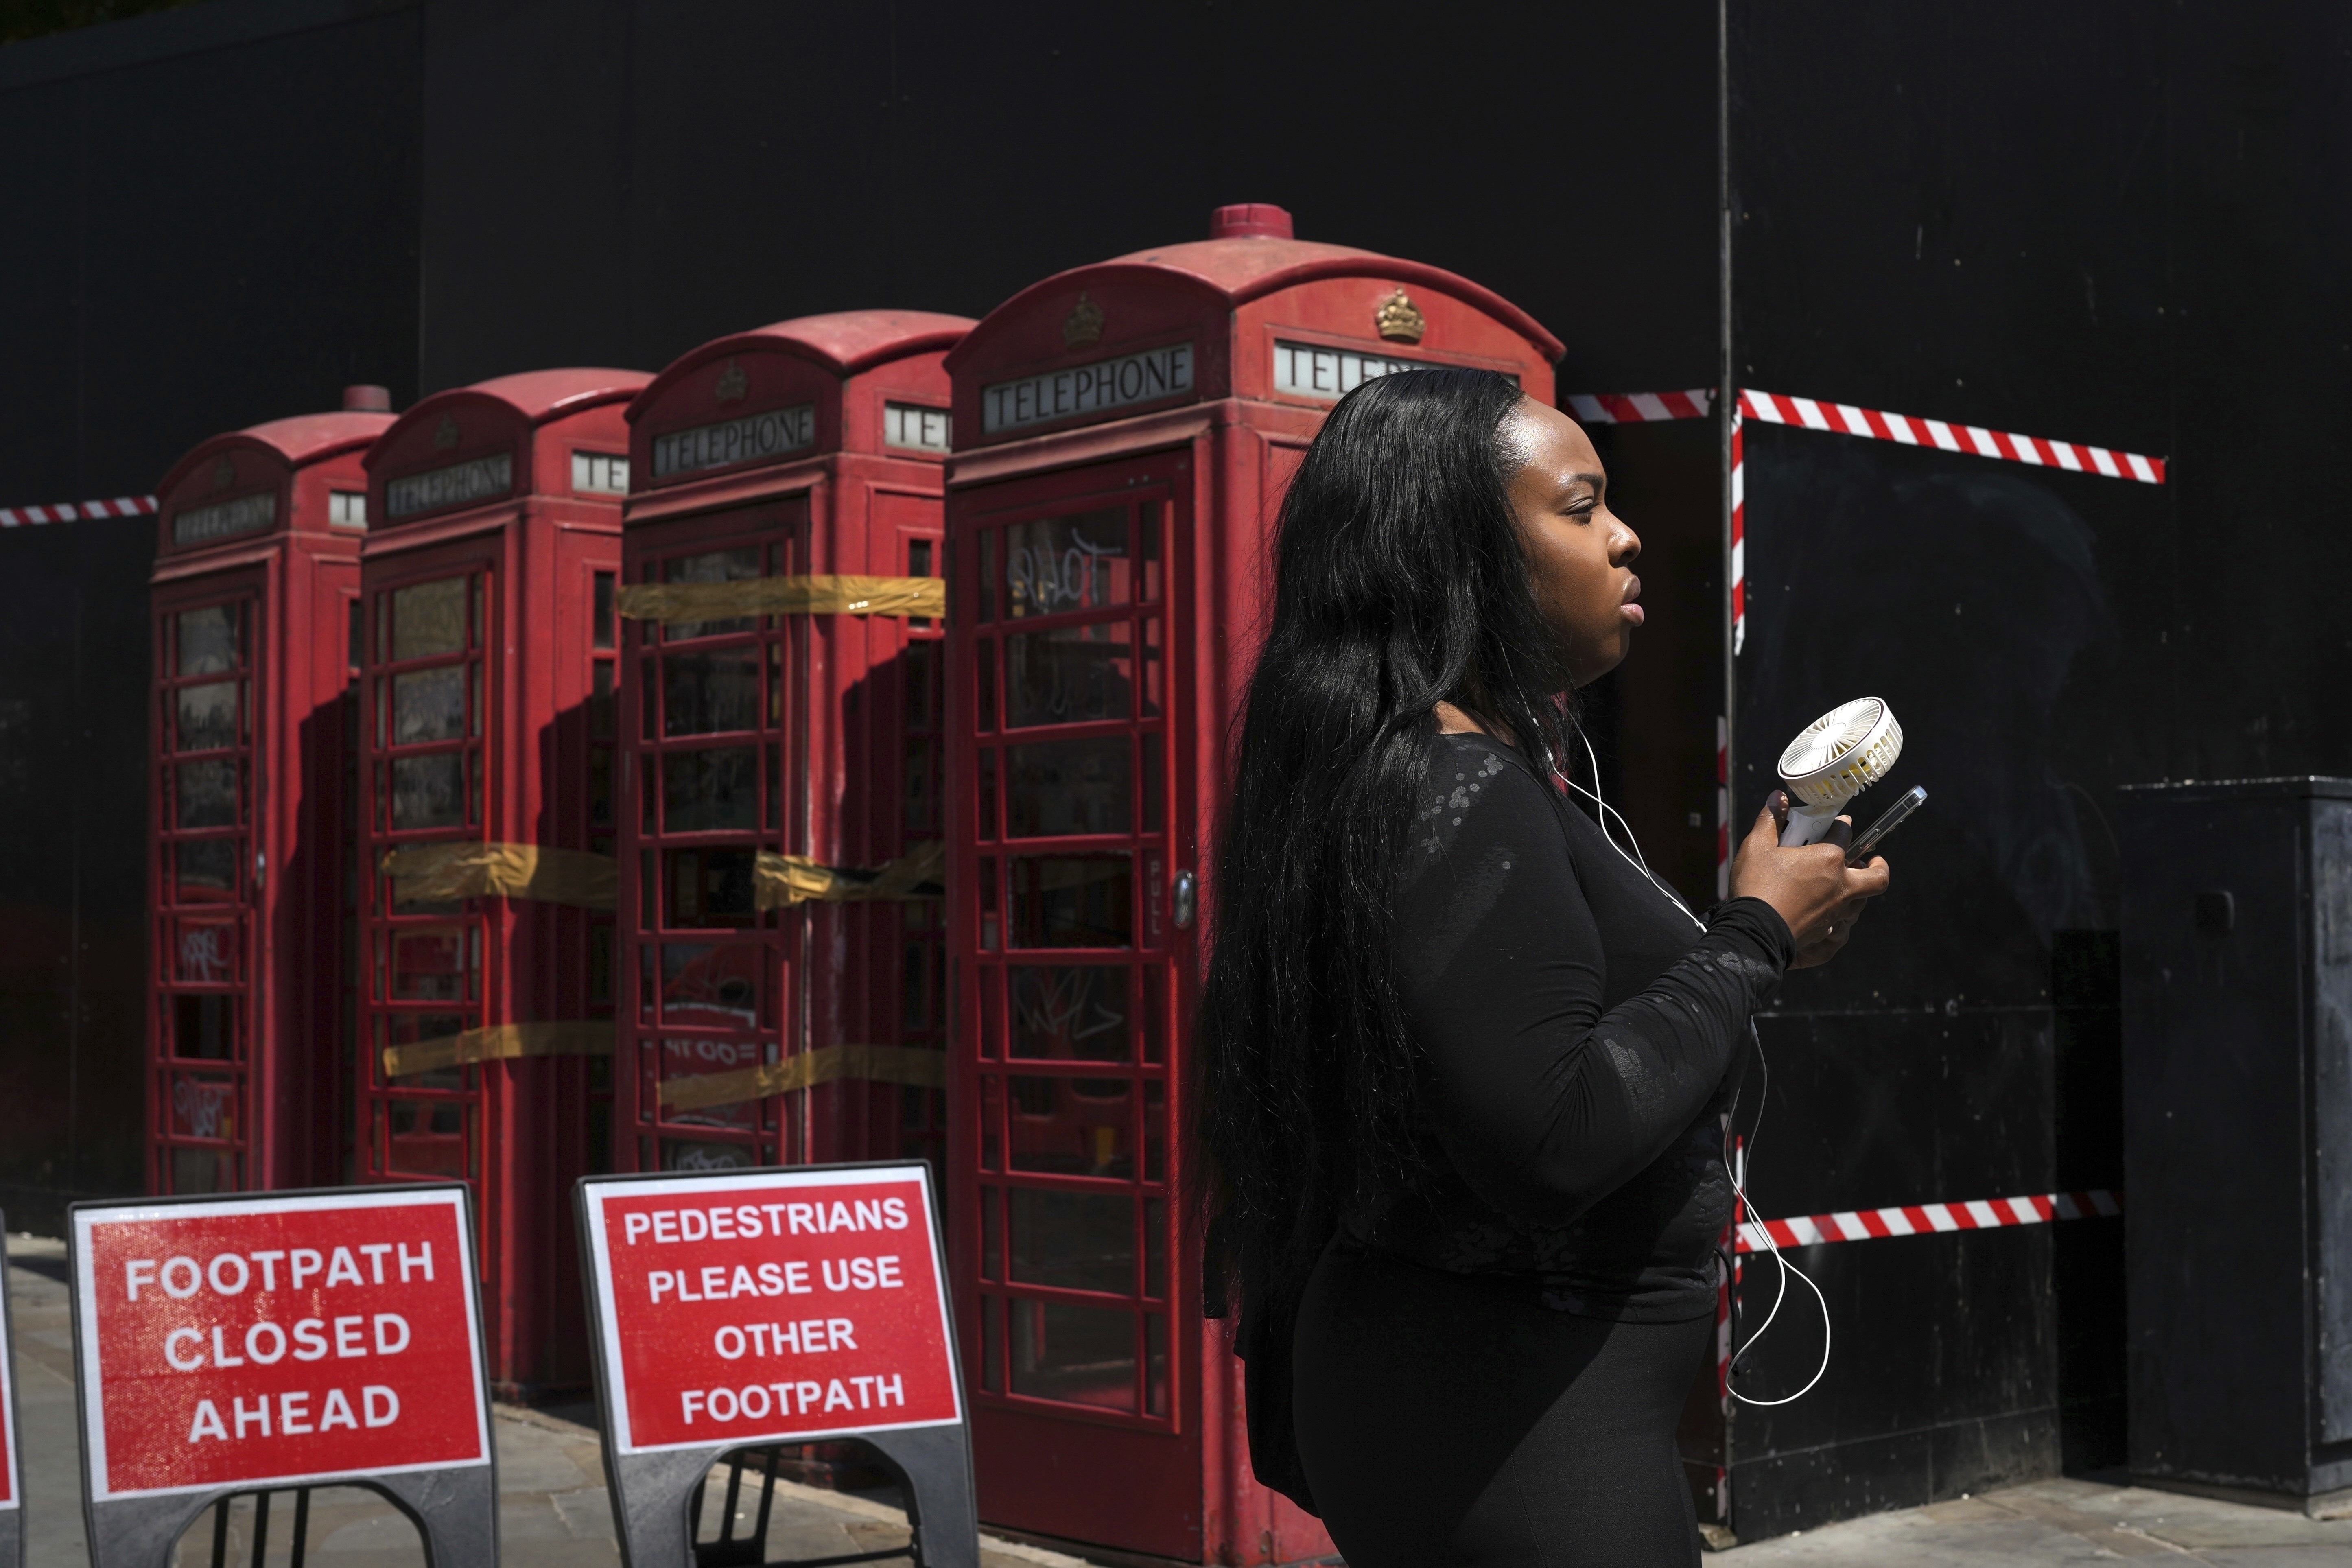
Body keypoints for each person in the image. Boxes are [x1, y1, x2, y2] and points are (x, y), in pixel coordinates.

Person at [1195, 367, 1890, 1566]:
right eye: (1580, 508)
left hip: (1472, 1400)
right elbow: (1553, 1136)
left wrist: (1762, 927)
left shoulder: (1400, 767)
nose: (1626, 540)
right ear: (1456, 552)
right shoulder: (1453, 784)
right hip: (1517, 1431)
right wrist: (1752, 937)